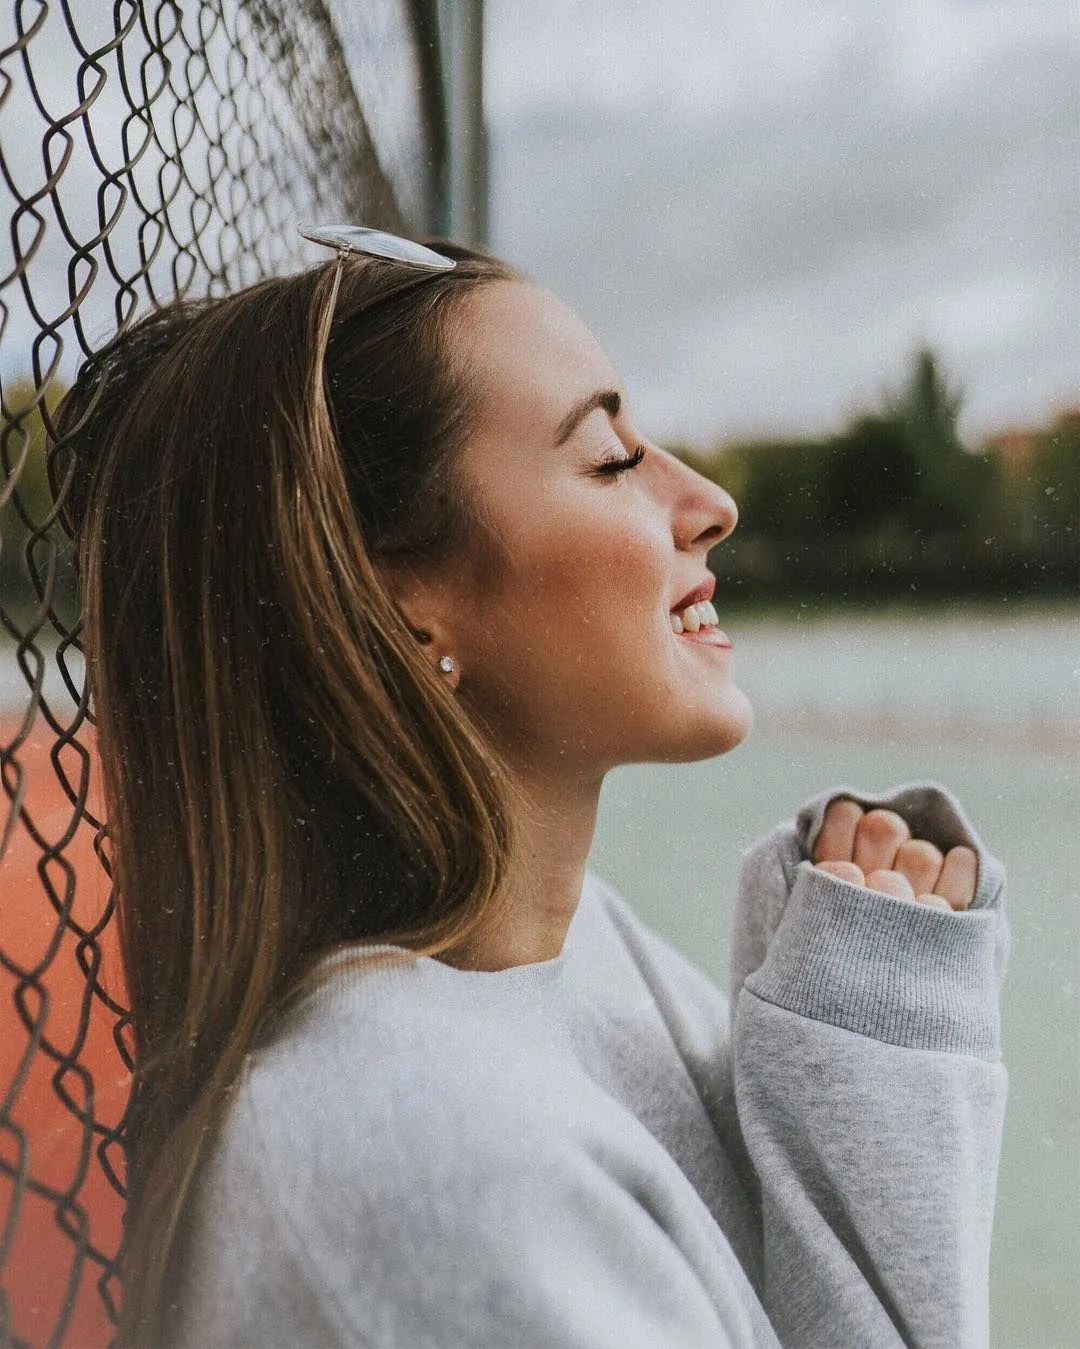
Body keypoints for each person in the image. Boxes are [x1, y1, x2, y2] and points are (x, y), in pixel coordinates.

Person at [53, 230, 1008, 1348]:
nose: (711, 502)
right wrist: (877, 1059)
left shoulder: (575, 949)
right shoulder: (427, 1166)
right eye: (610, 459)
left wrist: (842, 1038)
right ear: (399, 603)